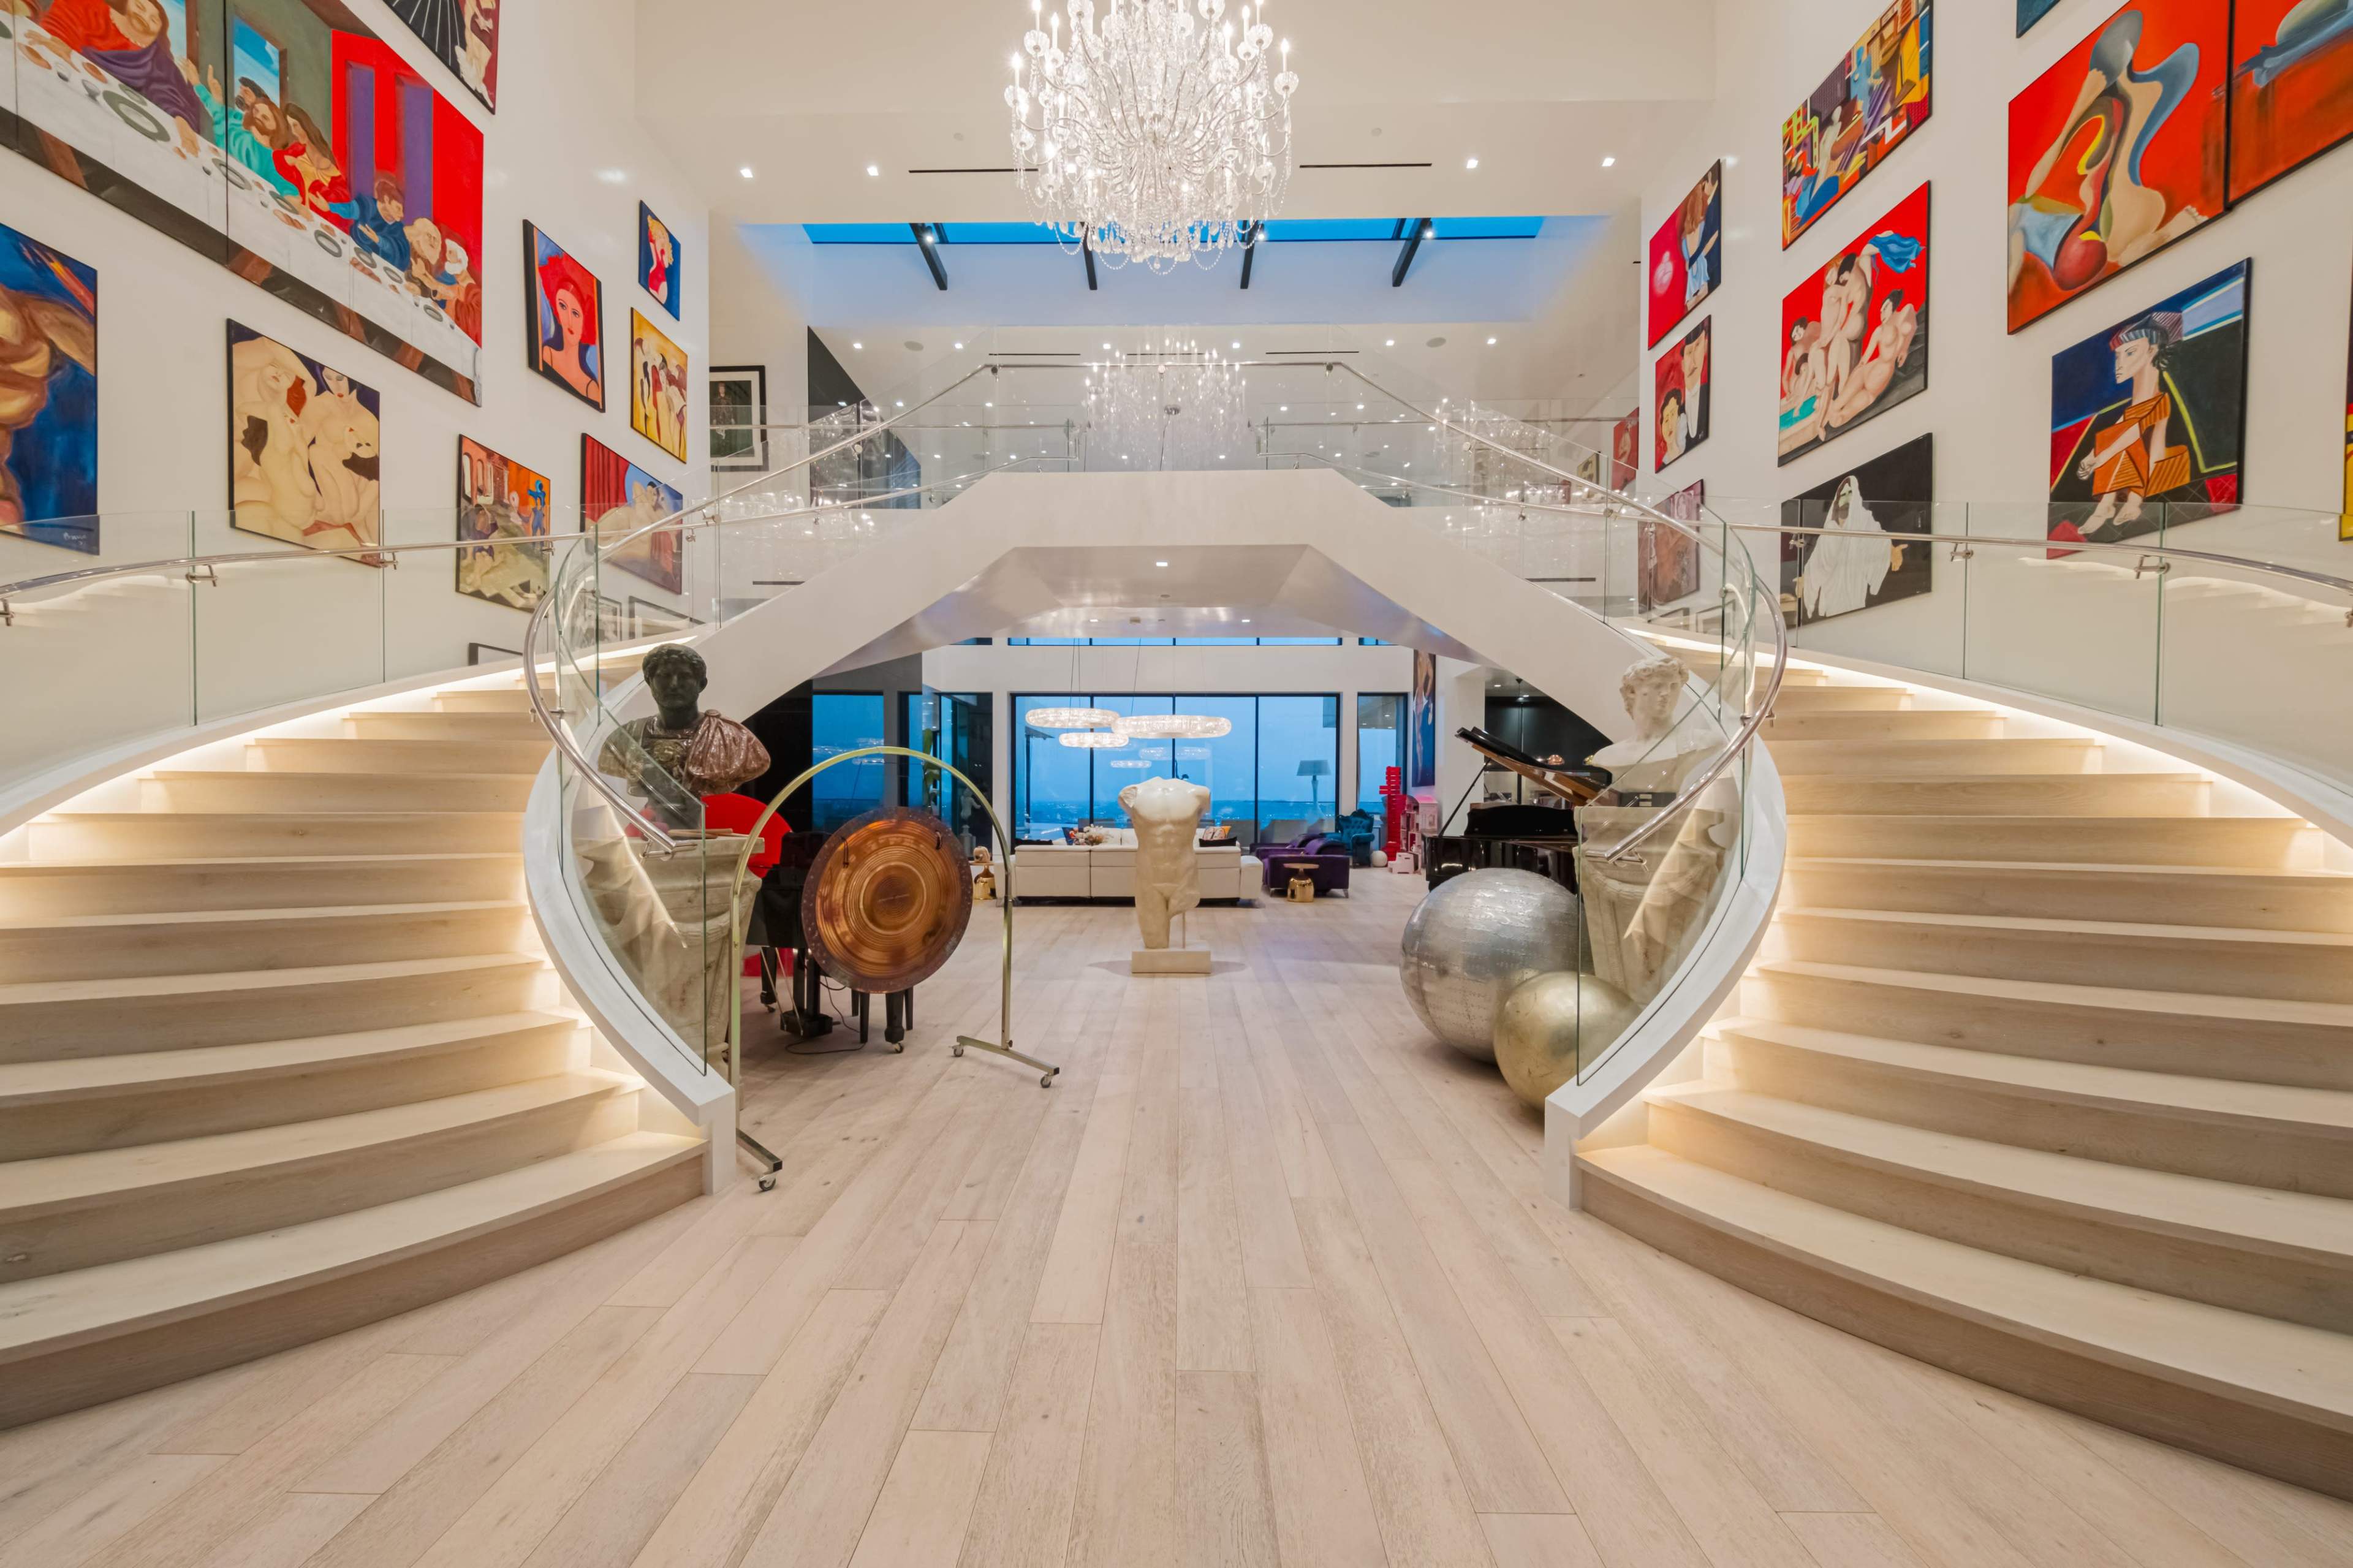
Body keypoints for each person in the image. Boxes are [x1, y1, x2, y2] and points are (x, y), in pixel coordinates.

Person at [2007, 10, 2206, 311]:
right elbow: (2017, 249)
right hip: (2072, 251)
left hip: (2072, 255)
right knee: (2108, 225)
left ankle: (2150, 239)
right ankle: (2157, 236)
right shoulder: (2020, 215)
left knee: (2113, 239)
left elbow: (2018, 249)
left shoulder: (2020, 214)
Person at [2063, 311, 2191, 542]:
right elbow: (2121, 433)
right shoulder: (2131, 409)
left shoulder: (2160, 401)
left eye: (2130, 353)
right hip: (2134, 468)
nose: (2119, 365)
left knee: (2123, 437)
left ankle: (2128, 503)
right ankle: (2106, 504)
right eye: (2118, 356)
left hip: (2156, 469)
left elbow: (2133, 434)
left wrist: (2098, 460)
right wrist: (2091, 457)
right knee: (2110, 435)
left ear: (2152, 350)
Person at [1798, 474, 1903, 623]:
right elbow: (1818, 560)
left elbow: (1879, 539)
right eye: (1843, 495)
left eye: (1850, 494)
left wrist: (1892, 551)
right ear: (1838, 499)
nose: (1846, 499)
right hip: (1832, 592)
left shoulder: (1864, 520)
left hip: (1854, 589)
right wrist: (1805, 578)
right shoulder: (1830, 528)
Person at [536, 249, 602, 402]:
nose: (569, 321)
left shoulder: (591, 389)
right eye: (563, 307)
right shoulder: (547, 355)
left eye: (576, 313)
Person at [350, 175, 412, 273]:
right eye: (398, 208)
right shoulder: (368, 206)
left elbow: (400, 253)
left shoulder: (398, 228)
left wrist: (379, 240)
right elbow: (351, 211)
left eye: (403, 210)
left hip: (379, 270)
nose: (402, 215)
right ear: (387, 200)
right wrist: (330, 207)